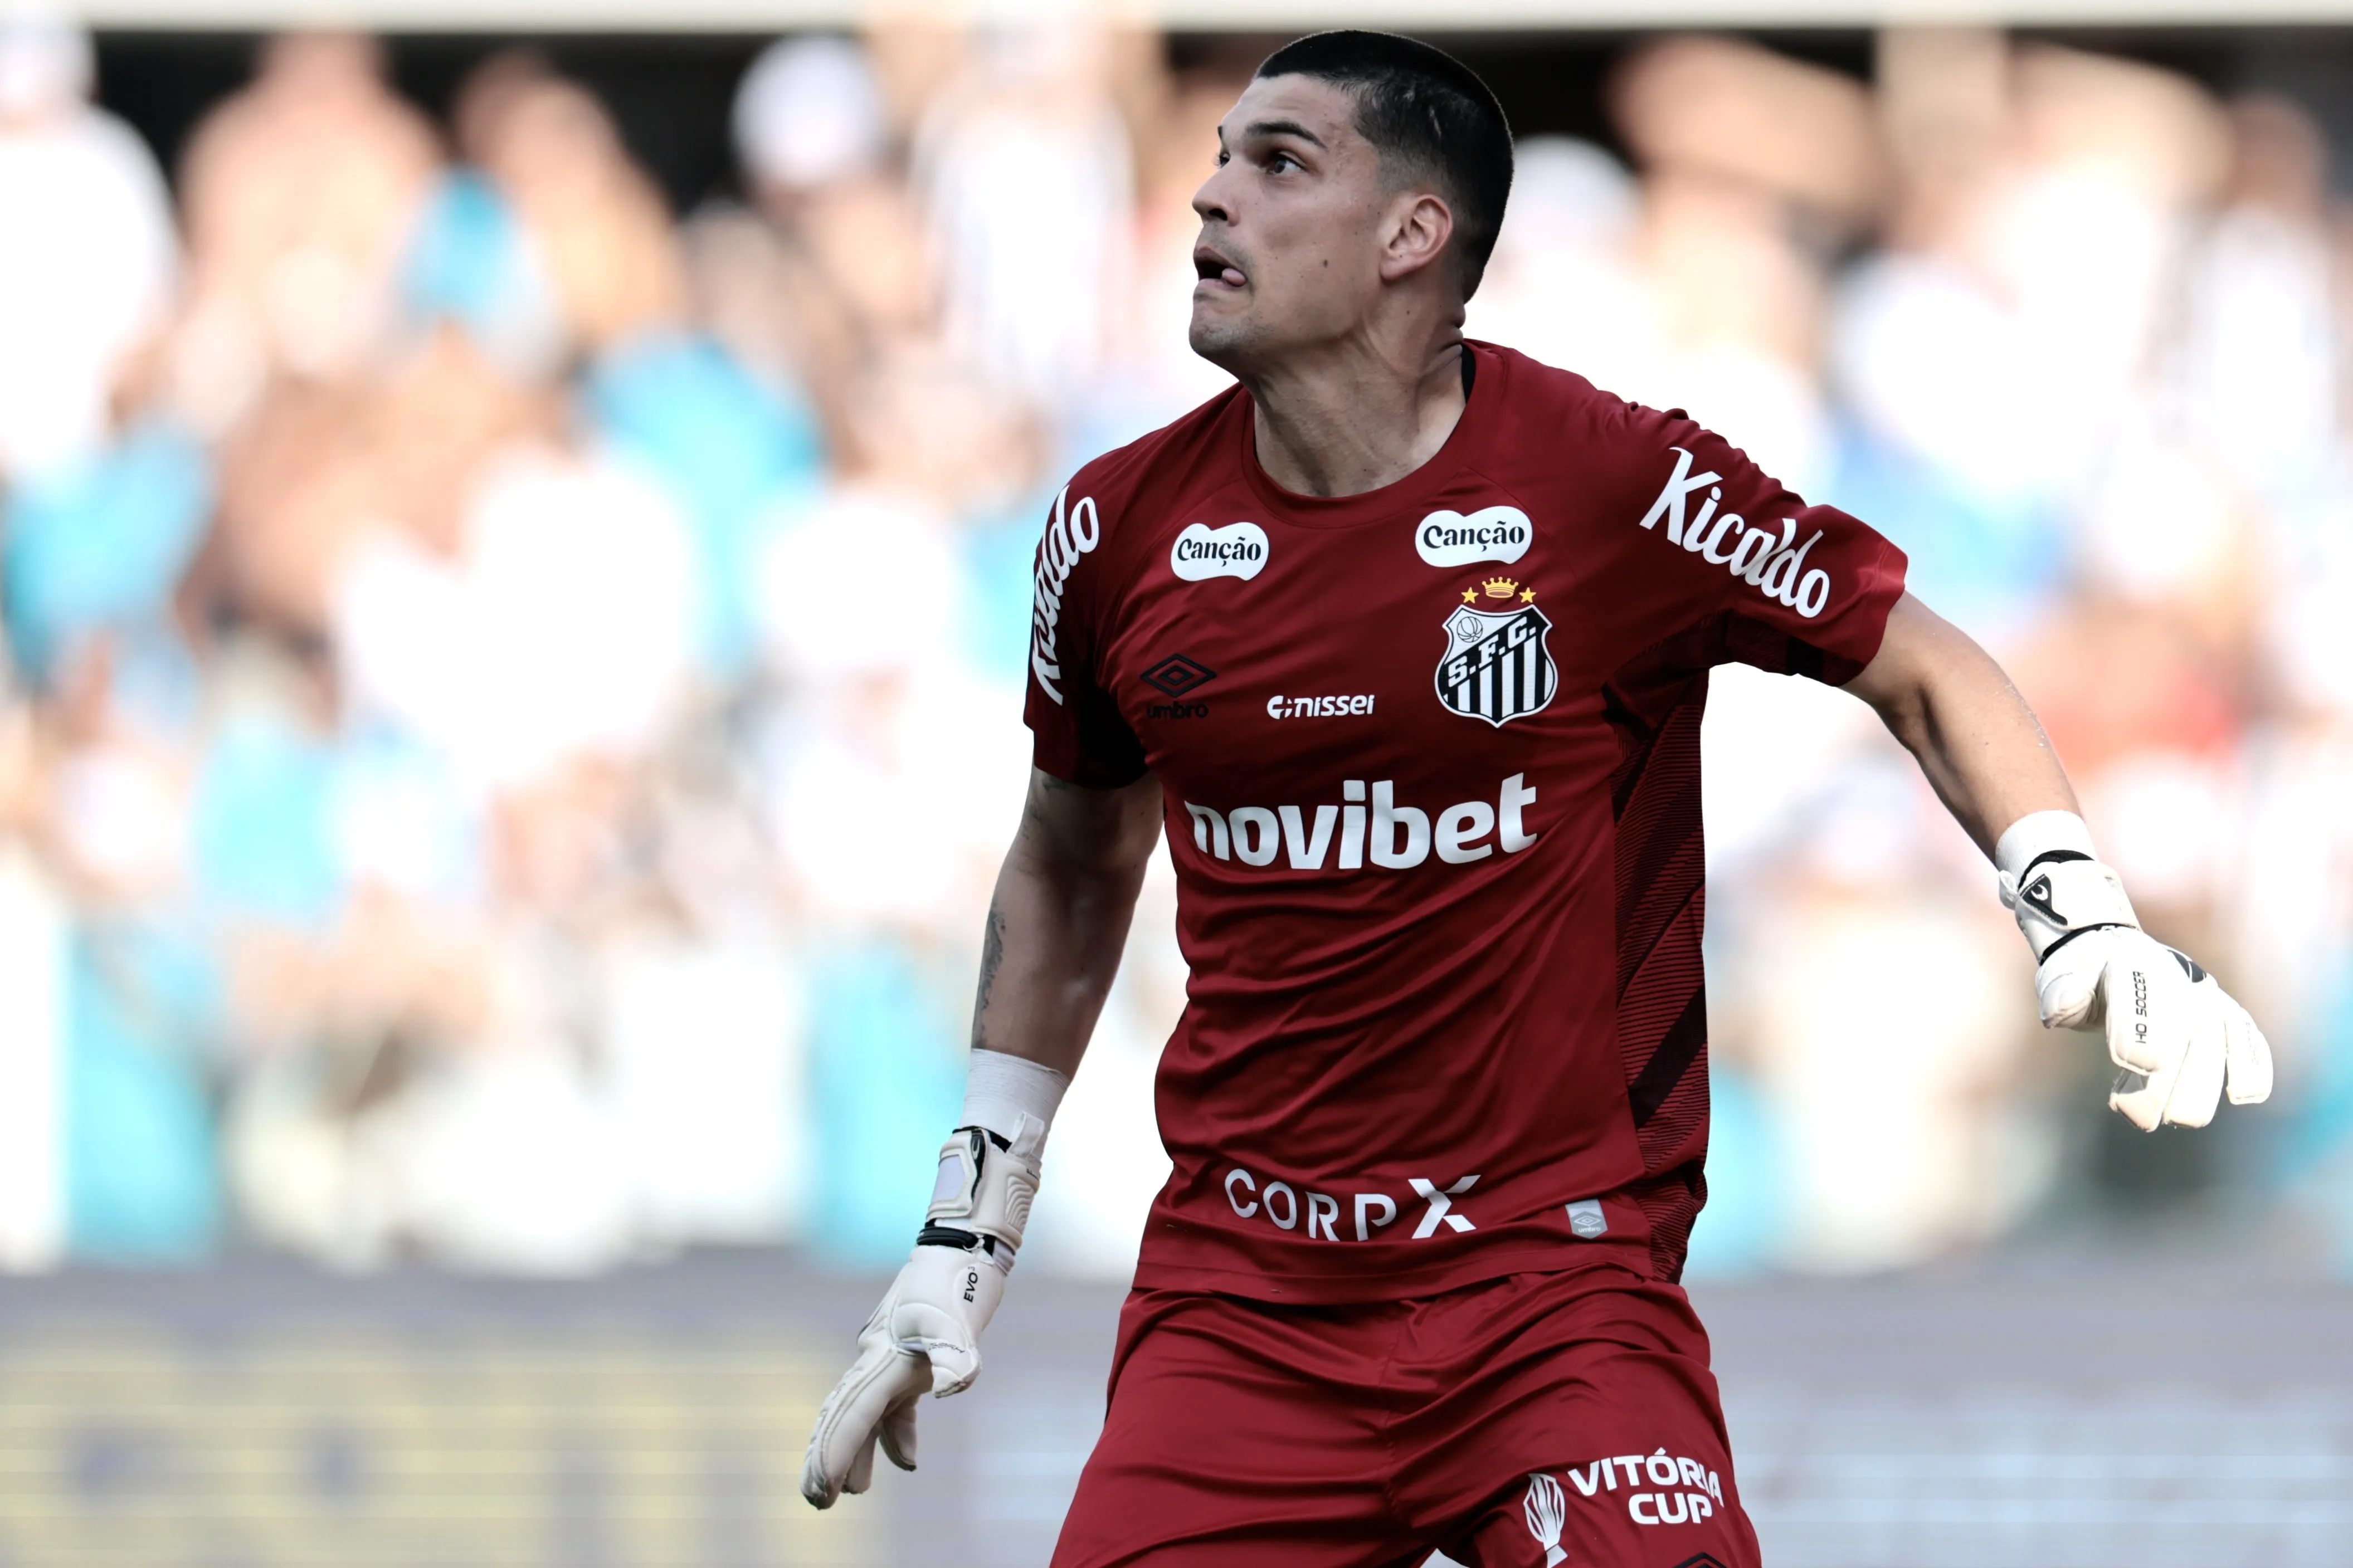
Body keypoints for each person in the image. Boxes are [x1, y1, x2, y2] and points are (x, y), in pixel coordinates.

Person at [801, 32, 2272, 1567]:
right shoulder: (1113, 530)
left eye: (1277, 163)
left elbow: (1914, 662)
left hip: (1551, 1294)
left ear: (1411, 237)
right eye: (1221, 153)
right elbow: (1067, 863)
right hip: (1243, 1307)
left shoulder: (1606, 485)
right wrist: (965, 1237)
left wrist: (2078, 911)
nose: (1208, 198)